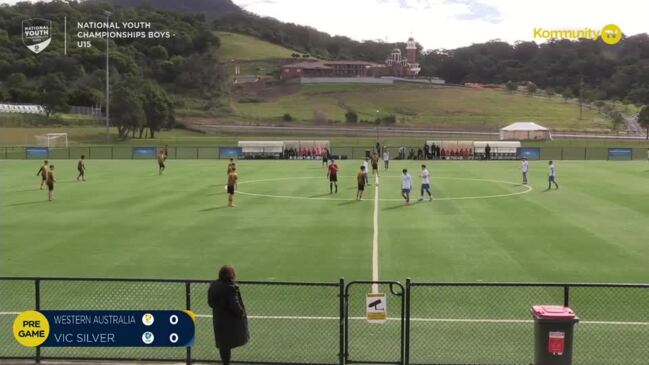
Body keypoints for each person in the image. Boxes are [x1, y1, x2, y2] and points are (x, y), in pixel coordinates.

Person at [208, 265, 249, 365]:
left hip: (219, 320)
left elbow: (210, 303)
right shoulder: (230, 288)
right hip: (230, 322)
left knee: (223, 345)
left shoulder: (213, 286)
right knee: (228, 344)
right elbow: (235, 305)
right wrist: (242, 313)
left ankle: (225, 363)